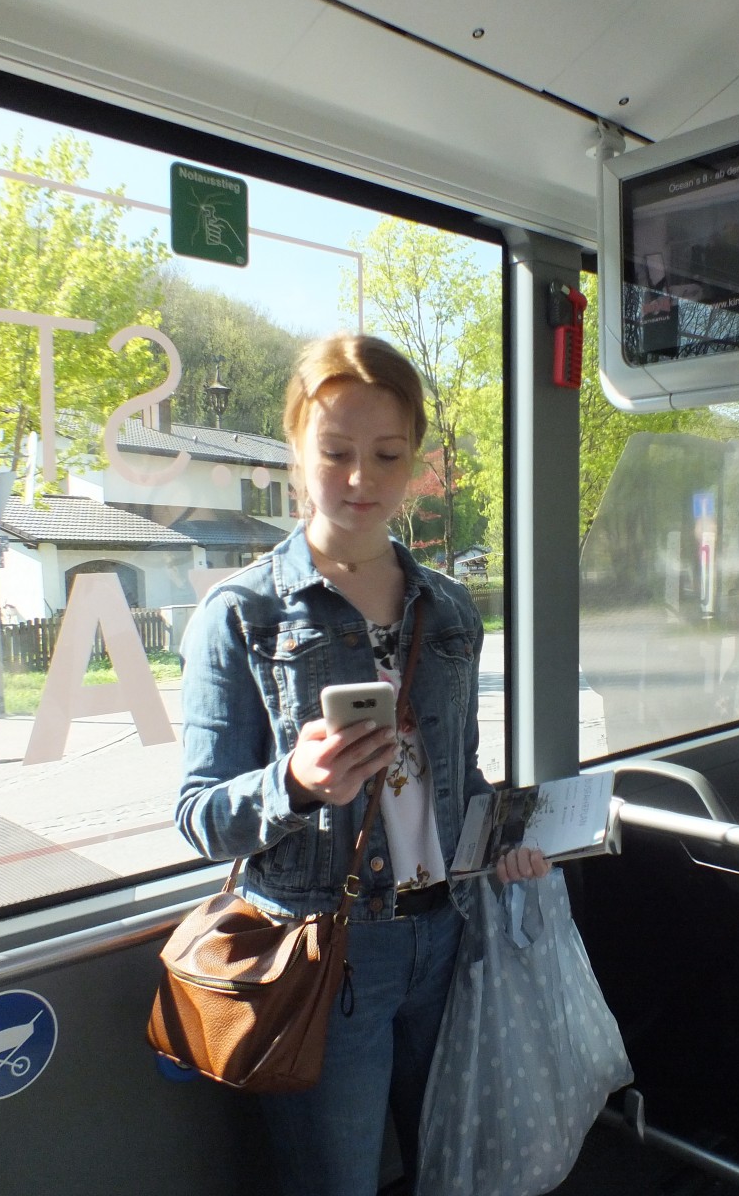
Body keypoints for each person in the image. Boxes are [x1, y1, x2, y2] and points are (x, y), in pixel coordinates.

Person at [176, 333, 548, 1196]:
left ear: (416, 461)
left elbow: (460, 780)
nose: (360, 480)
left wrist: (508, 846)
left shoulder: (448, 610)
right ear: (296, 455)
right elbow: (197, 813)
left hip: (447, 933)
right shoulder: (243, 616)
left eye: (387, 455)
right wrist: (294, 784)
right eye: (335, 453)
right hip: (325, 952)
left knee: (453, 1169)